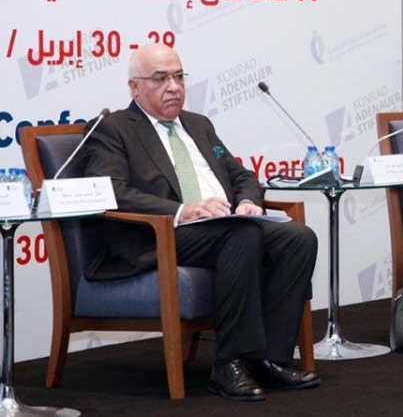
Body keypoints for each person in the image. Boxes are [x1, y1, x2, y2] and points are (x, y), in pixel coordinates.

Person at [82, 43, 319, 401]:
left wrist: (248, 202)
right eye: (160, 79)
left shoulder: (198, 125)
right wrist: (182, 210)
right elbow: (111, 190)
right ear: (134, 87)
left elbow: (241, 174)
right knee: (241, 236)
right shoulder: (113, 128)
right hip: (160, 234)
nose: (173, 87)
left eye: (179, 77)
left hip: (223, 225)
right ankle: (229, 364)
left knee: (298, 238)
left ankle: (268, 360)